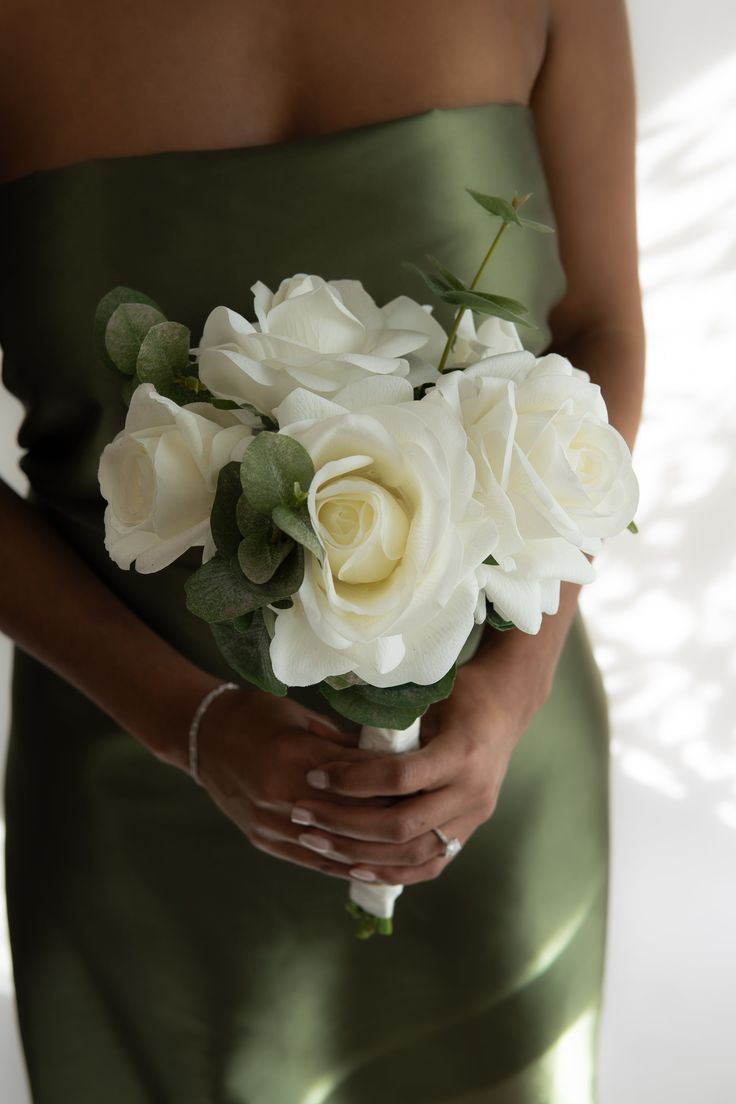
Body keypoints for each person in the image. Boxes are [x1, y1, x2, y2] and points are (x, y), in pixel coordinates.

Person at [0, 0, 644, 1100]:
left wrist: (514, 685)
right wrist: (186, 723)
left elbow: (600, 332)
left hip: (482, 768)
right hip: (132, 786)